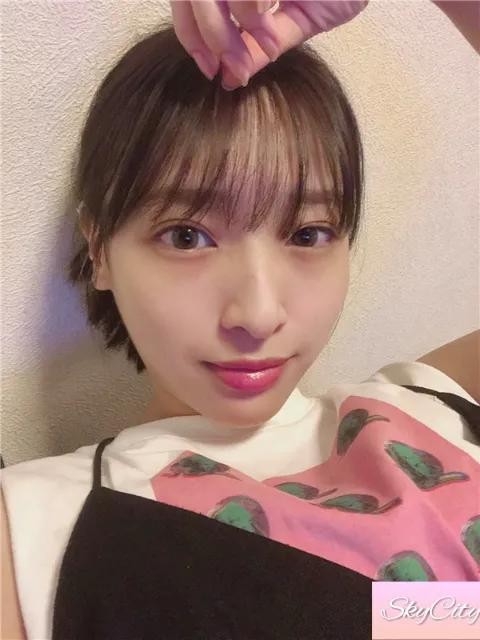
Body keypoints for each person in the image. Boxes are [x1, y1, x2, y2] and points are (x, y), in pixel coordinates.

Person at [1, 1, 479, 639]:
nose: (257, 314)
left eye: (308, 233)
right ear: (100, 251)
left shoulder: (428, 404)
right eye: (187, 236)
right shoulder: (36, 528)